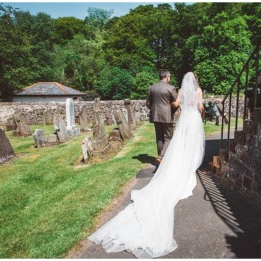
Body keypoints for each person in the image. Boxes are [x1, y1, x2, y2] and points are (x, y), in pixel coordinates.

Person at [88, 72, 205, 258]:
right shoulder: (196, 90)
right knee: (190, 144)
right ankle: (188, 163)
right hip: (193, 119)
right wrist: (197, 110)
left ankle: (167, 158)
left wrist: (179, 105)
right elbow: (200, 106)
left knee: (176, 142)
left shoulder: (178, 89)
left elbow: (173, 104)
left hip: (182, 119)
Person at [146, 70, 178, 163]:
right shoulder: (171, 88)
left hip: (155, 116)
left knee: (159, 138)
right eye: (170, 76)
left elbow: (148, 103)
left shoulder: (151, 88)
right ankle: (161, 156)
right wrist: (171, 112)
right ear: (167, 77)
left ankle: (161, 159)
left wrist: (154, 110)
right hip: (167, 116)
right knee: (168, 137)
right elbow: (175, 103)